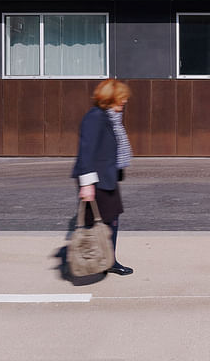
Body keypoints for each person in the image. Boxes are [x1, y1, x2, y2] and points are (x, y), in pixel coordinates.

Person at [72, 79, 133, 276]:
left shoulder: (110, 117)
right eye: (121, 97)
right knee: (95, 222)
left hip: (107, 177)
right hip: (95, 180)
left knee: (111, 219)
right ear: (109, 98)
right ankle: (87, 261)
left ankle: (108, 260)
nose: (124, 101)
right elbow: (86, 151)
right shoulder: (95, 117)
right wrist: (87, 184)